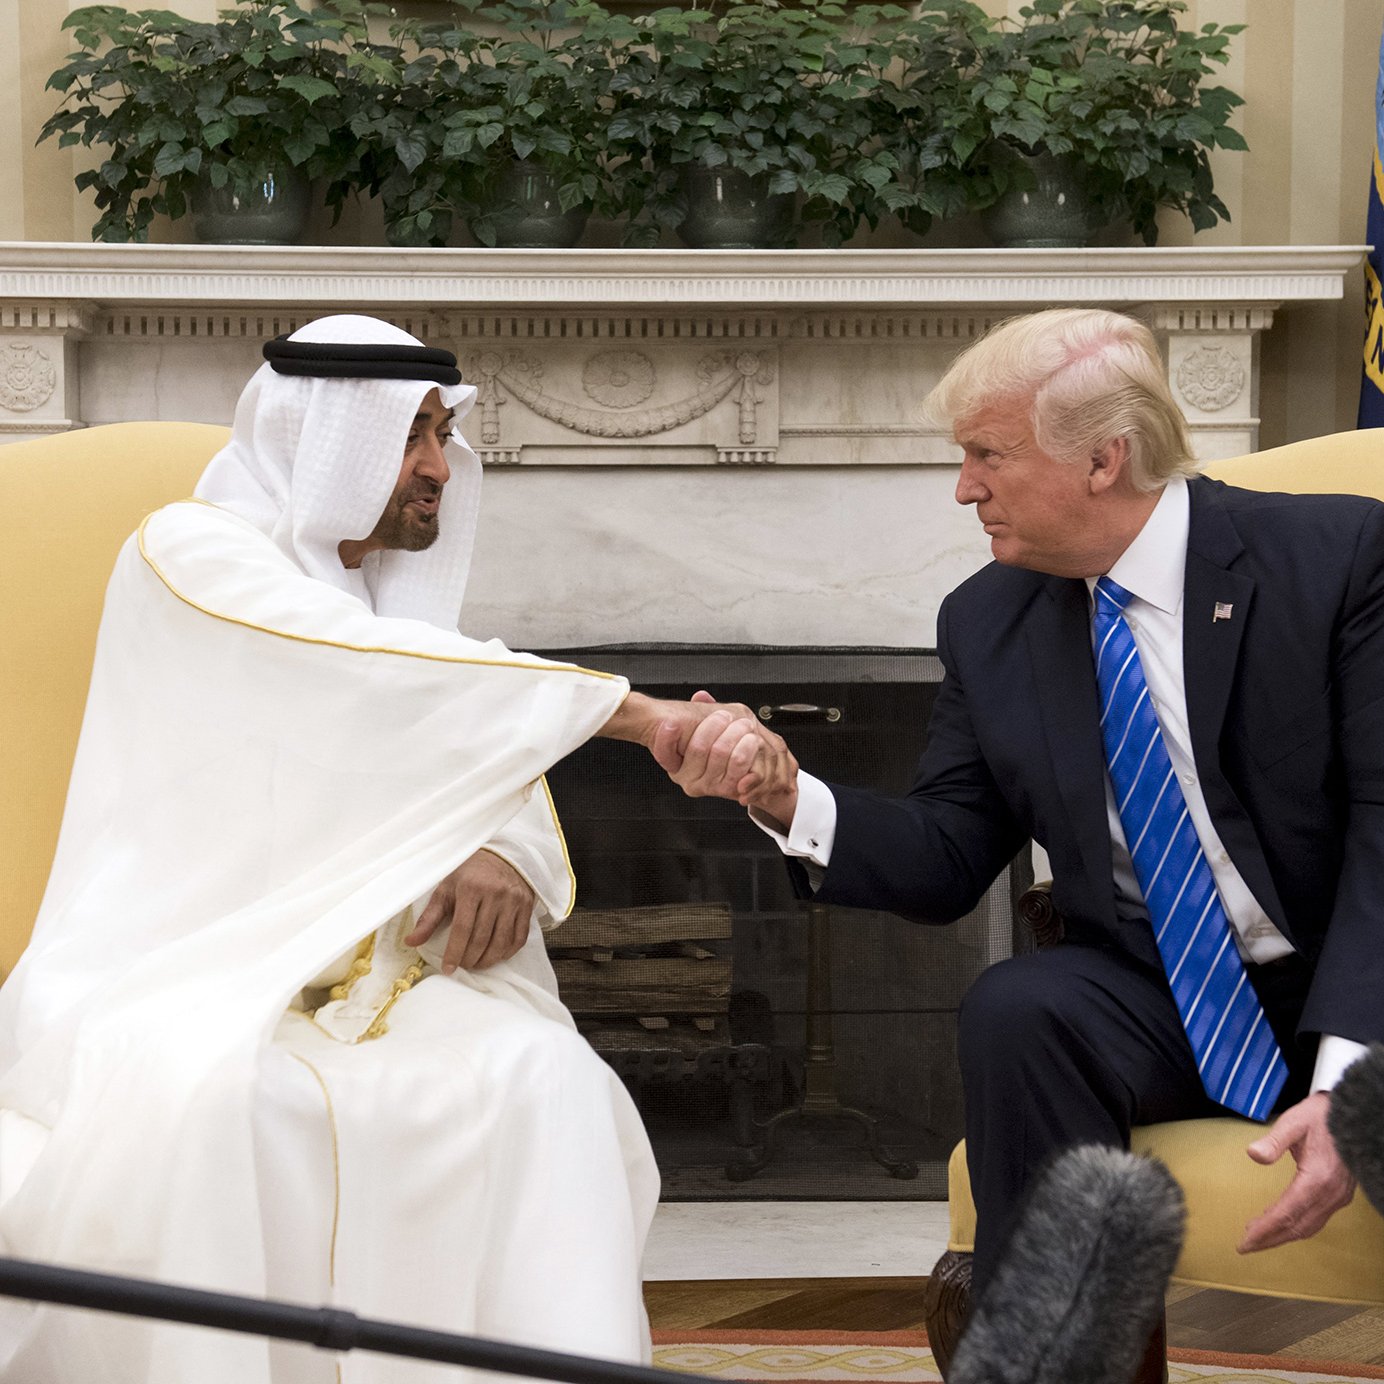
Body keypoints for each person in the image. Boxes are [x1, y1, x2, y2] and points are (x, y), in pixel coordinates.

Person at [0, 315, 768, 1384]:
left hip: (382, 976)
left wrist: (501, 849)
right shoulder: (190, 551)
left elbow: (459, 727)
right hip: (192, 966)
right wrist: (641, 719)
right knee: (212, 1111)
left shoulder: (399, 620)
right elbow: (373, 676)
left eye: (443, 434)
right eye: (410, 436)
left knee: (543, 1080)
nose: (437, 467)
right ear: (323, 439)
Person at [657, 308, 1381, 1293]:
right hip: (1164, 998)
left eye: (986, 455)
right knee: (1022, 1004)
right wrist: (786, 797)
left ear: (1101, 459)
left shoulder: (1339, 559)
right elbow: (947, 850)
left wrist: (1349, 1081)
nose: (964, 489)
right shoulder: (989, 620)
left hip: (1350, 977)